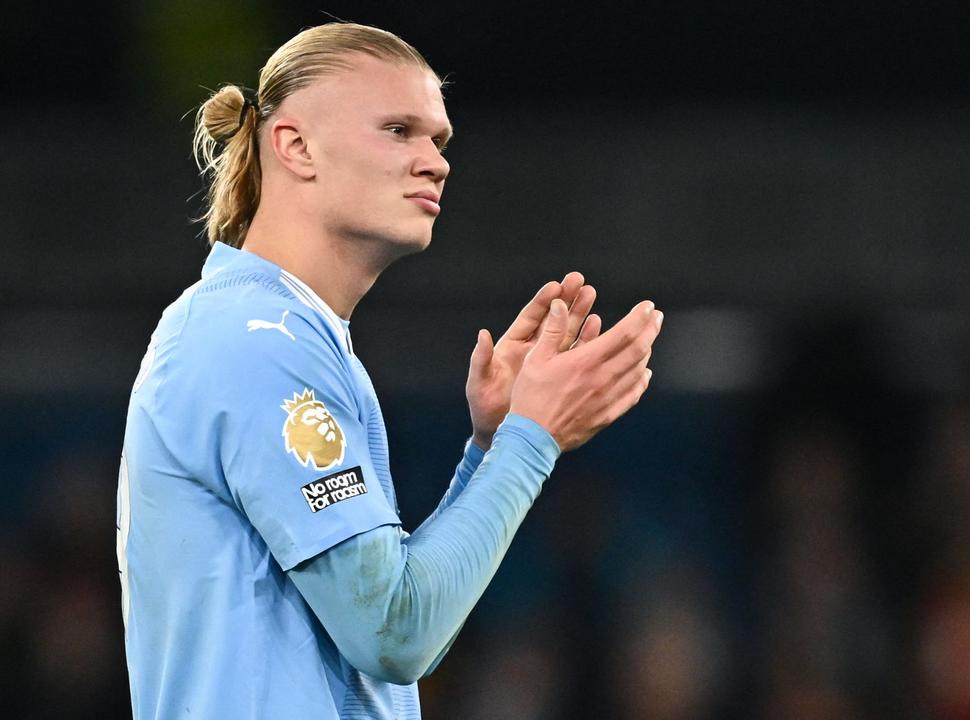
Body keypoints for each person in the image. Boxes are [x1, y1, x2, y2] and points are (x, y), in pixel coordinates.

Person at [115, 22, 662, 720]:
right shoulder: (257, 342)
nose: (436, 161)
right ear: (295, 145)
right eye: (399, 130)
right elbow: (394, 632)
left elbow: (395, 619)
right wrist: (531, 440)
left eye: (439, 140)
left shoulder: (280, 333)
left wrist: (490, 451)